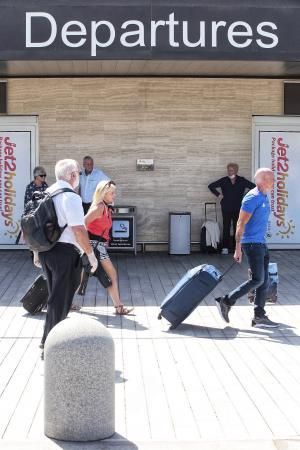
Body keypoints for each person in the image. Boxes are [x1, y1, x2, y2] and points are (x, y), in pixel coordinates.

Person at [34, 159, 98, 358]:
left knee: (55, 297)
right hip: (64, 252)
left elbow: (37, 225)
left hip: (46, 251)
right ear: (71, 175)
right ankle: (52, 346)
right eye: (77, 173)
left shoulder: (48, 192)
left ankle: (47, 340)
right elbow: (78, 230)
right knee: (60, 300)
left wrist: (36, 252)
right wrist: (90, 255)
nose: (78, 176)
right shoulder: (71, 197)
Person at [215, 168, 279, 328]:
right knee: (258, 279)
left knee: (263, 281)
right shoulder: (252, 198)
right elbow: (240, 223)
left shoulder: (264, 196)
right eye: (272, 178)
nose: (274, 181)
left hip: (261, 243)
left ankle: (259, 315)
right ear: (262, 180)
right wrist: (237, 248)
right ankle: (226, 300)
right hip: (251, 244)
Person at [84, 179, 134, 315]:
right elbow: (83, 223)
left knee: (80, 276)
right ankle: (119, 307)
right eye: (112, 193)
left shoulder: (105, 208)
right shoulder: (99, 207)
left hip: (97, 246)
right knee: (111, 274)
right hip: (95, 246)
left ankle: (119, 307)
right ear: (103, 194)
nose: (114, 195)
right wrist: (86, 245)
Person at [208, 163, 255, 254]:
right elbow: (211, 186)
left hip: (238, 207)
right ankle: (225, 247)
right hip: (226, 207)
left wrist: (245, 196)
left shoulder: (242, 180)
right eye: (228, 170)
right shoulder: (224, 180)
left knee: (237, 227)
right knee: (226, 227)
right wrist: (219, 195)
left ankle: (237, 247)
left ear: (236, 171)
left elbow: (254, 187)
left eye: (232, 170)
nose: (229, 172)